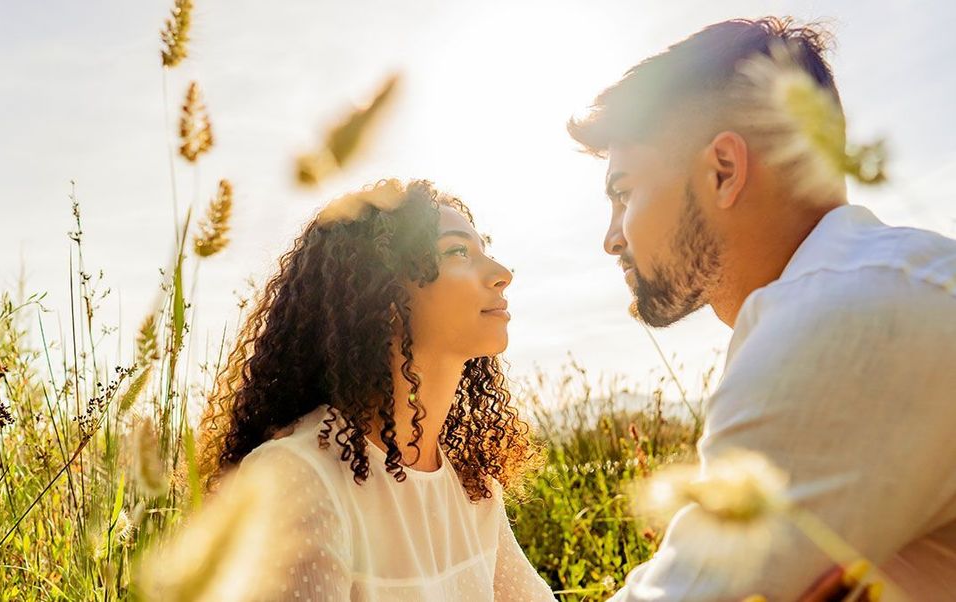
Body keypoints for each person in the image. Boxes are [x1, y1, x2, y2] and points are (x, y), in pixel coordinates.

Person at [567, 16, 956, 600]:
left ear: (723, 170)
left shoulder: (836, 316)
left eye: (623, 193)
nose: (613, 237)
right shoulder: (868, 285)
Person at [198, 179, 557, 601]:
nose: (502, 274)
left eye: (484, 250)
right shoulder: (299, 478)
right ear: (382, 292)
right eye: (459, 251)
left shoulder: (471, 485)